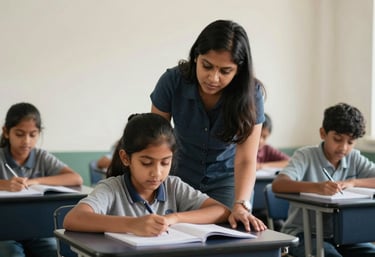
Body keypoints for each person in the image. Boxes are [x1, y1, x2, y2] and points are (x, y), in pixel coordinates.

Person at [150, 19, 267, 232]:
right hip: (179, 177)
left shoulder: (251, 94)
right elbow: (155, 143)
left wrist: (241, 204)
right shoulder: (172, 81)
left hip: (227, 181)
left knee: (226, 237)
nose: (213, 78)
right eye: (207, 66)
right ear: (196, 57)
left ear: (238, 71)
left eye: (225, 71)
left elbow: (246, 159)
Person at [63, 113, 232, 236]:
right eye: (146, 162)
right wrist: (132, 224)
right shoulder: (112, 188)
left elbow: (220, 210)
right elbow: (73, 218)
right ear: (125, 158)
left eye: (165, 162)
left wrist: (174, 218)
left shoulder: (173, 186)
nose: (157, 173)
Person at [272, 103, 375, 257]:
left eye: (350, 142)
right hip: (303, 235)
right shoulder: (305, 155)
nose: (343, 147)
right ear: (323, 133)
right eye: (337, 139)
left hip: (343, 236)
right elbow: (278, 185)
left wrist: (353, 183)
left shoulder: (354, 158)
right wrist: (317, 187)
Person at [0, 102, 83, 257]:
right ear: (6, 132)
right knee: (11, 253)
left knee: (54, 250)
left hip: (37, 229)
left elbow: (76, 178)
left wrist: (35, 181)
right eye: (19, 134)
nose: (26, 141)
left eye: (32, 134)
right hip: (4, 230)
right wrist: (4, 184)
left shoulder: (41, 157)